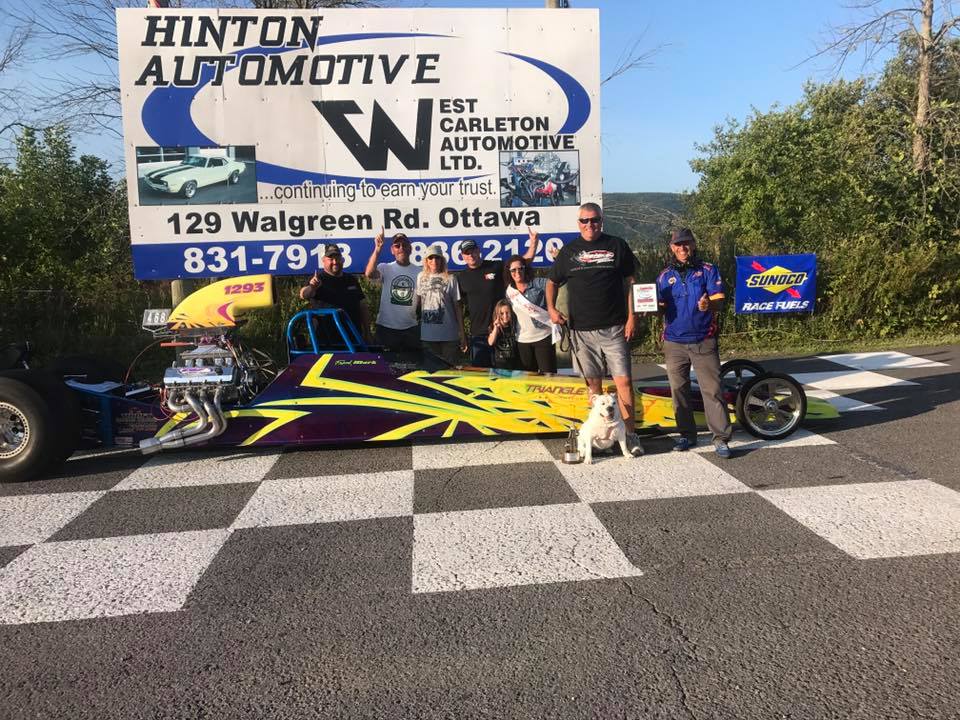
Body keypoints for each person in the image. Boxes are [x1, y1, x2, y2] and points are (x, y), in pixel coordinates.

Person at [545, 202, 643, 456]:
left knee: (624, 382)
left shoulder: (617, 245)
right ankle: (600, 439)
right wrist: (552, 309)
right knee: (593, 386)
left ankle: (630, 436)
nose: (590, 224)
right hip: (581, 331)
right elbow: (552, 282)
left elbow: (631, 283)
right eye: (585, 221)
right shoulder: (569, 251)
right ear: (578, 223)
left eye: (595, 220)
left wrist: (632, 317)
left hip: (615, 328)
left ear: (601, 220)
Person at [656, 228, 733, 459]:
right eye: (678, 245)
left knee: (712, 390)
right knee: (679, 391)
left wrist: (709, 304)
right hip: (674, 342)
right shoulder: (664, 276)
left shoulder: (708, 269)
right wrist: (647, 308)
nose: (682, 248)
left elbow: (719, 301)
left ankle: (720, 438)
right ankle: (687, 435)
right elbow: (660, 307)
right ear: (672, 248)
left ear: (693, 244)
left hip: (703, 339)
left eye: (686, 243)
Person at [458, 228, 538, 367]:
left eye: (473, 251)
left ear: (478, 250)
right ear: (462, 256)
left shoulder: (495, 266)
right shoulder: (461, 277)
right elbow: (458, 307)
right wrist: (462, 335)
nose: (471, 255)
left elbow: (522, 263)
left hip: (503, 331)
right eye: (467, 253)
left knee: (508, 375)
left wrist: (533, 243)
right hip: (479, 334)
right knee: (482, 376)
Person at [364, 228, 421, 351]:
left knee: (413, 362)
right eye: (397, 246)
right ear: (392, 250)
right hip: (386, 328)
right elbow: (369, 273)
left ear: (410, 248)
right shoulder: (385, 268)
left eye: (404, 245)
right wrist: (377, 249)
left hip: (410, 328)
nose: (401, 248)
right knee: (385, 363)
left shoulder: (420, 272)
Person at [299, 243, 370, 340]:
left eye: (337, 258)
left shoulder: (351, 280)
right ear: (323, 260)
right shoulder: (318, 279)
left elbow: (362, 306)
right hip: (327, 341)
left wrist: (368, 332)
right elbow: (303, 294)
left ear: (342, 259)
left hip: (354, 339)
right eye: (331, 259)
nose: (335, 262)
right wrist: (312, 287)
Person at [503, 254, 557, 373]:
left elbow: (556, 282)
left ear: (525, 269)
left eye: (520, 268)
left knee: (549, 377)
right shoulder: (509, 292)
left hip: (543, 337)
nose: (517, 272)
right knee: (527, 378)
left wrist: (557, 260)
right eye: (513, 270)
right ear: (509, 272)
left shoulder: (538, 283)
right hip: (522, 340)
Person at [416, 244, 466, 365]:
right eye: (431, 258)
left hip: (449, 336)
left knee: (450, 371)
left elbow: (458, 307)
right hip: (428, 336)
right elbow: (418, 303)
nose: (434, 261)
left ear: (442, 260)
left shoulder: (451, 278)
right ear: (426, 260)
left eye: (437, 257)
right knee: (431, 371)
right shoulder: (420, 277)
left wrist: (462, 333)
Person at [487, 299, 520, 370]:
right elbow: (490, 342)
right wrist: (496, 327)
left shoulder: (514, 325)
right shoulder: (493, 327)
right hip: (500, 364)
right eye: (502, 313)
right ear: (497, 314)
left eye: (507, 313)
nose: (505, 316)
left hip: (513, 364)